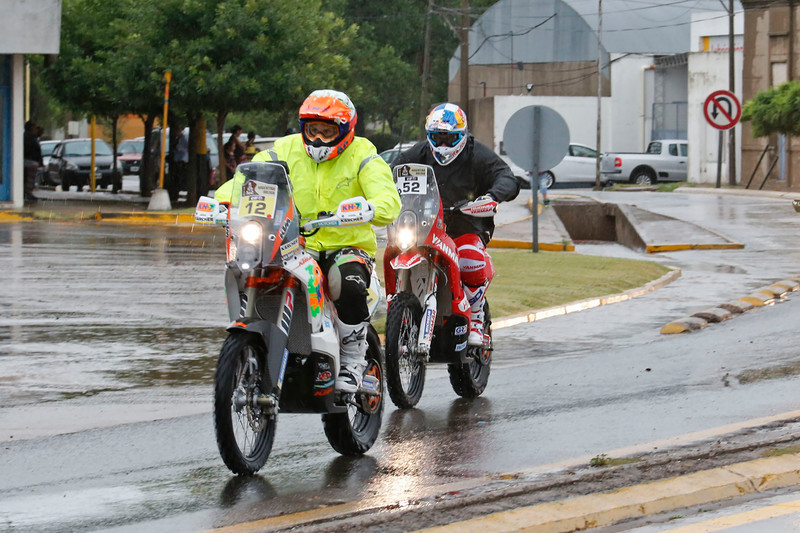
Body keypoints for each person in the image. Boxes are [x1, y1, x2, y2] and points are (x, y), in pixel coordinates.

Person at [214, 89, 401, 394]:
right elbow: (245, 181)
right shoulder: (283, 150)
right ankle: (259, 345)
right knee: (253, 271)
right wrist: (221, 201)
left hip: (345, 245)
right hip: (292, 242)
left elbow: (388, 198)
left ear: (345, 131)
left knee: (348, 283)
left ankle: (354, 358)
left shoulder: (363, 153)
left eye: (327, 131)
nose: (318, 139)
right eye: (312, 130)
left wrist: (371, 207)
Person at [393, 103, 520, 346]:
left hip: (466, 226)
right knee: (397, 249)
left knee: (470, 257)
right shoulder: (417, 154)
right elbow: (390, 173)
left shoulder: (477, 154)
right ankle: (401, 314)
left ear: (462, 136)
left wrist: (491, 197)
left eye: (449, 138)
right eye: (436, 137)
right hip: (424, 226)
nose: (441, 144)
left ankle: (475, 316)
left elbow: (507, 177)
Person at [23, 120, 42, 202]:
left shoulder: (31, 137)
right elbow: (34, 150)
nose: (36, 130)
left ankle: (27, 193)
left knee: (29, 179)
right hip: (30, 162)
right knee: (29, 180)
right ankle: (28, 194)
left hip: (30, 161)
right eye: (35, 128)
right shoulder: (29, 138)